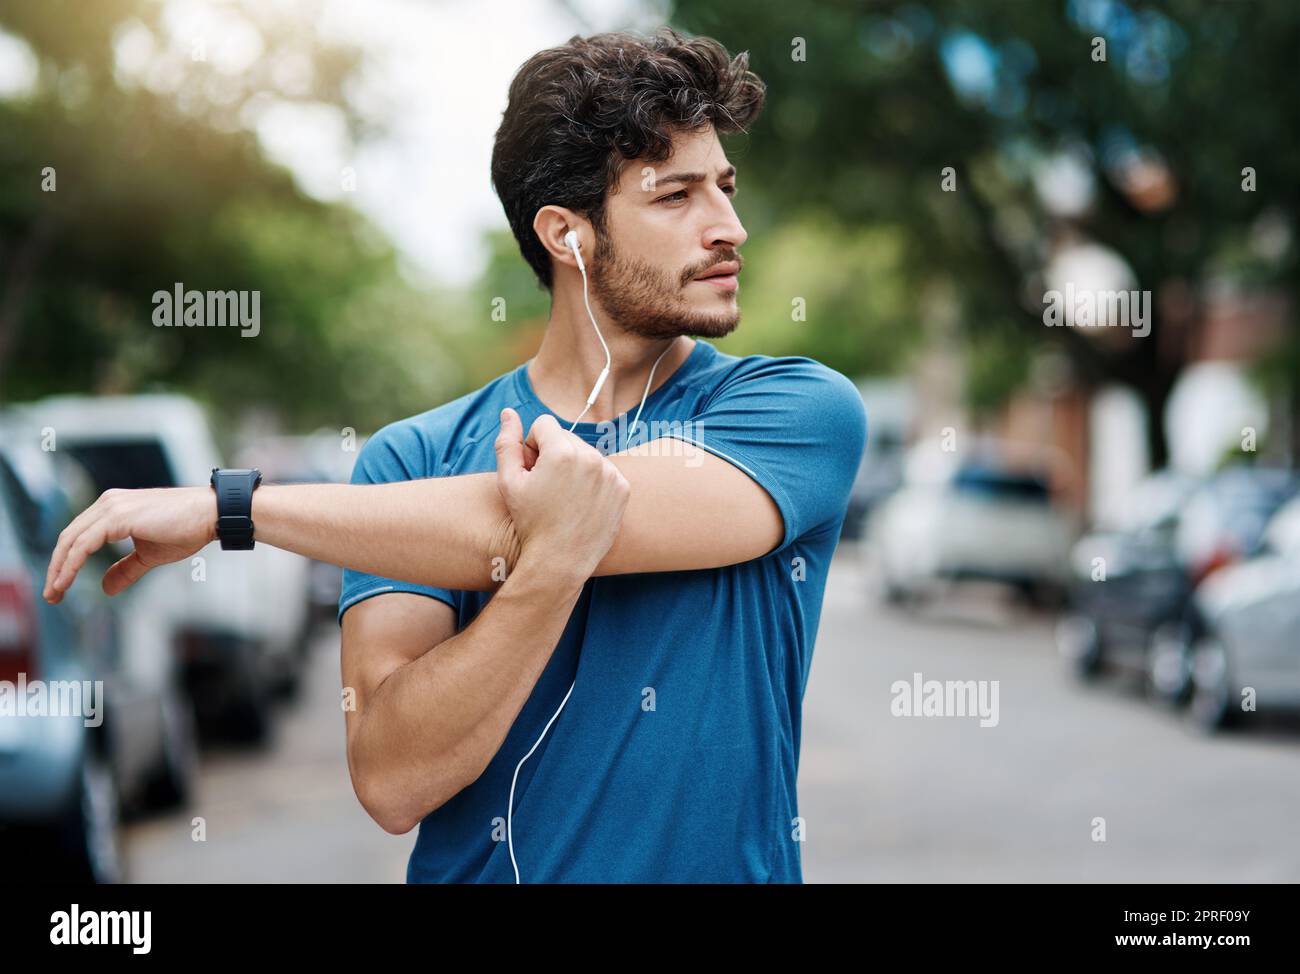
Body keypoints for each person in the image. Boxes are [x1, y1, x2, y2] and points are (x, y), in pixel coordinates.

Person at [43, 27, 867, 883]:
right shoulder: (413, 458)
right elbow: (394, 782)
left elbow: (578, 515)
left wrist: (234, 509)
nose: (728, 227)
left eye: (725, 189)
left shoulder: (797, 413)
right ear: (567, 235)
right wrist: (547, 574)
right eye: (676, 197)